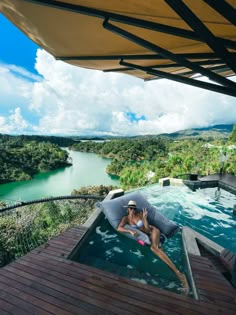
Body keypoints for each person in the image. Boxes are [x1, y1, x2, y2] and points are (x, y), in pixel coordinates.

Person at [117, 200, 189, 294]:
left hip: (153, 231)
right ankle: (176, 274)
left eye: (134, 208)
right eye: (130, 208)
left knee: (153, 248)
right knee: (161, 253)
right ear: (127, 209)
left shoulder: (139, 214)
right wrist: (130, 231)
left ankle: (180, 276)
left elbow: (147, 229)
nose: (132, 210)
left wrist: (145, 218)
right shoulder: (125, 218)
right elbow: (119, 228)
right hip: (149, 236)